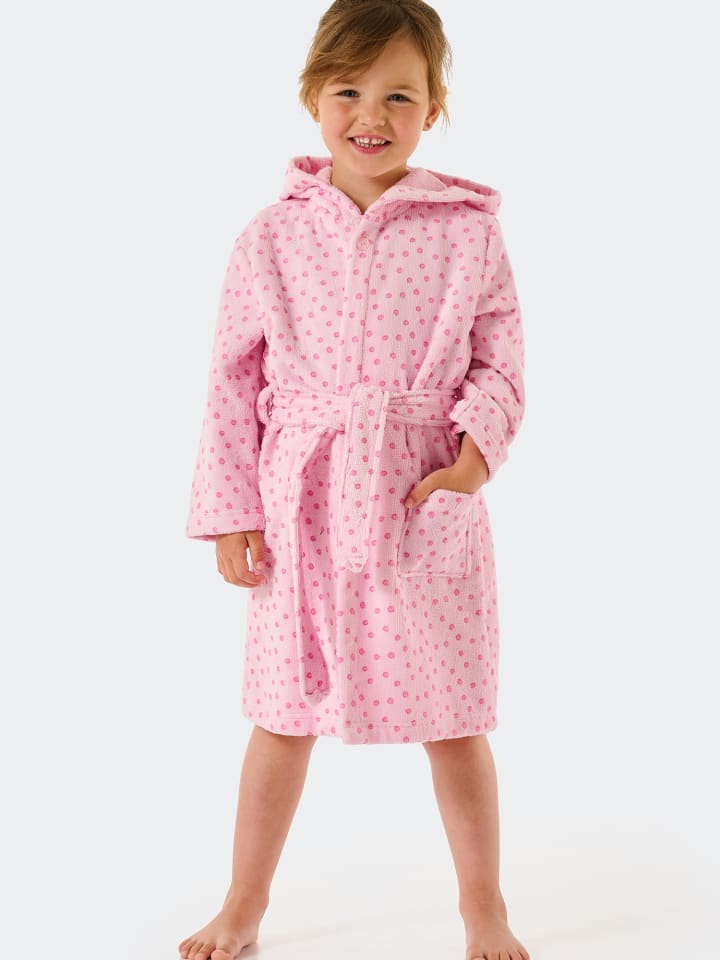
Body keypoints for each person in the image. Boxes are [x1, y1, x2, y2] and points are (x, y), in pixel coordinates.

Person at [179, 2, 530, 959]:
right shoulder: (270, 237)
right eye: (348, 91)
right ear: (312, 98)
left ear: (434, 109)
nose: (371, 115)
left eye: (399, 96)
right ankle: (243, 904)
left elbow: (500, 357)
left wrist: (471, 459)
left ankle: (484, 907)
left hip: (420, 492)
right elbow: (231, 379)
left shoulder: (468, 232)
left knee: (455, 718)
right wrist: (232, 513)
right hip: (302, 503)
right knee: (280, 717)